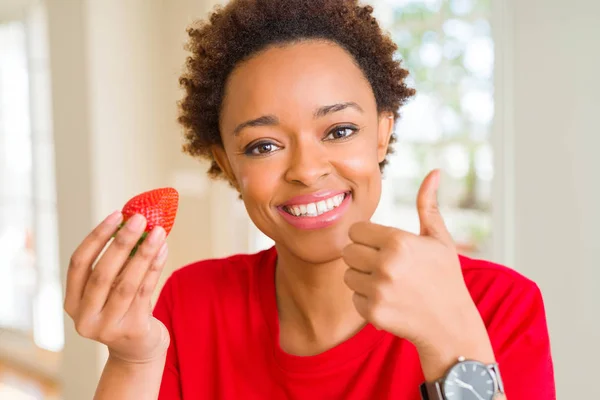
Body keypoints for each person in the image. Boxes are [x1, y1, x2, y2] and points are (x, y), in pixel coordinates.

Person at [63, 0, 556, 399]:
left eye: (340, 130)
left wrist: (451, 344)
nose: (305, 169)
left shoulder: (499, 305)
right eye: (264, 146)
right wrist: (134, 361)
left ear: (382, 135)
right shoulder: (189, 304)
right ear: (228, 163)